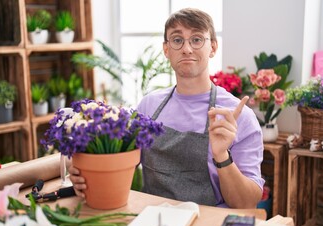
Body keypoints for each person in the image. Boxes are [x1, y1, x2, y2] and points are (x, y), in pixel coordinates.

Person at [69, 8, 264, 209]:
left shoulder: (239, 116)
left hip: (208, 224)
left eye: (197, 39)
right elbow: (118, 163)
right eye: (177, 40)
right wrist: (85, 173)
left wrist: (222, 156)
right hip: (152, 218)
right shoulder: (149, 106)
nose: (187, 49)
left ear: (213, 47)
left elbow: (246, 203)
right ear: (166, 49)